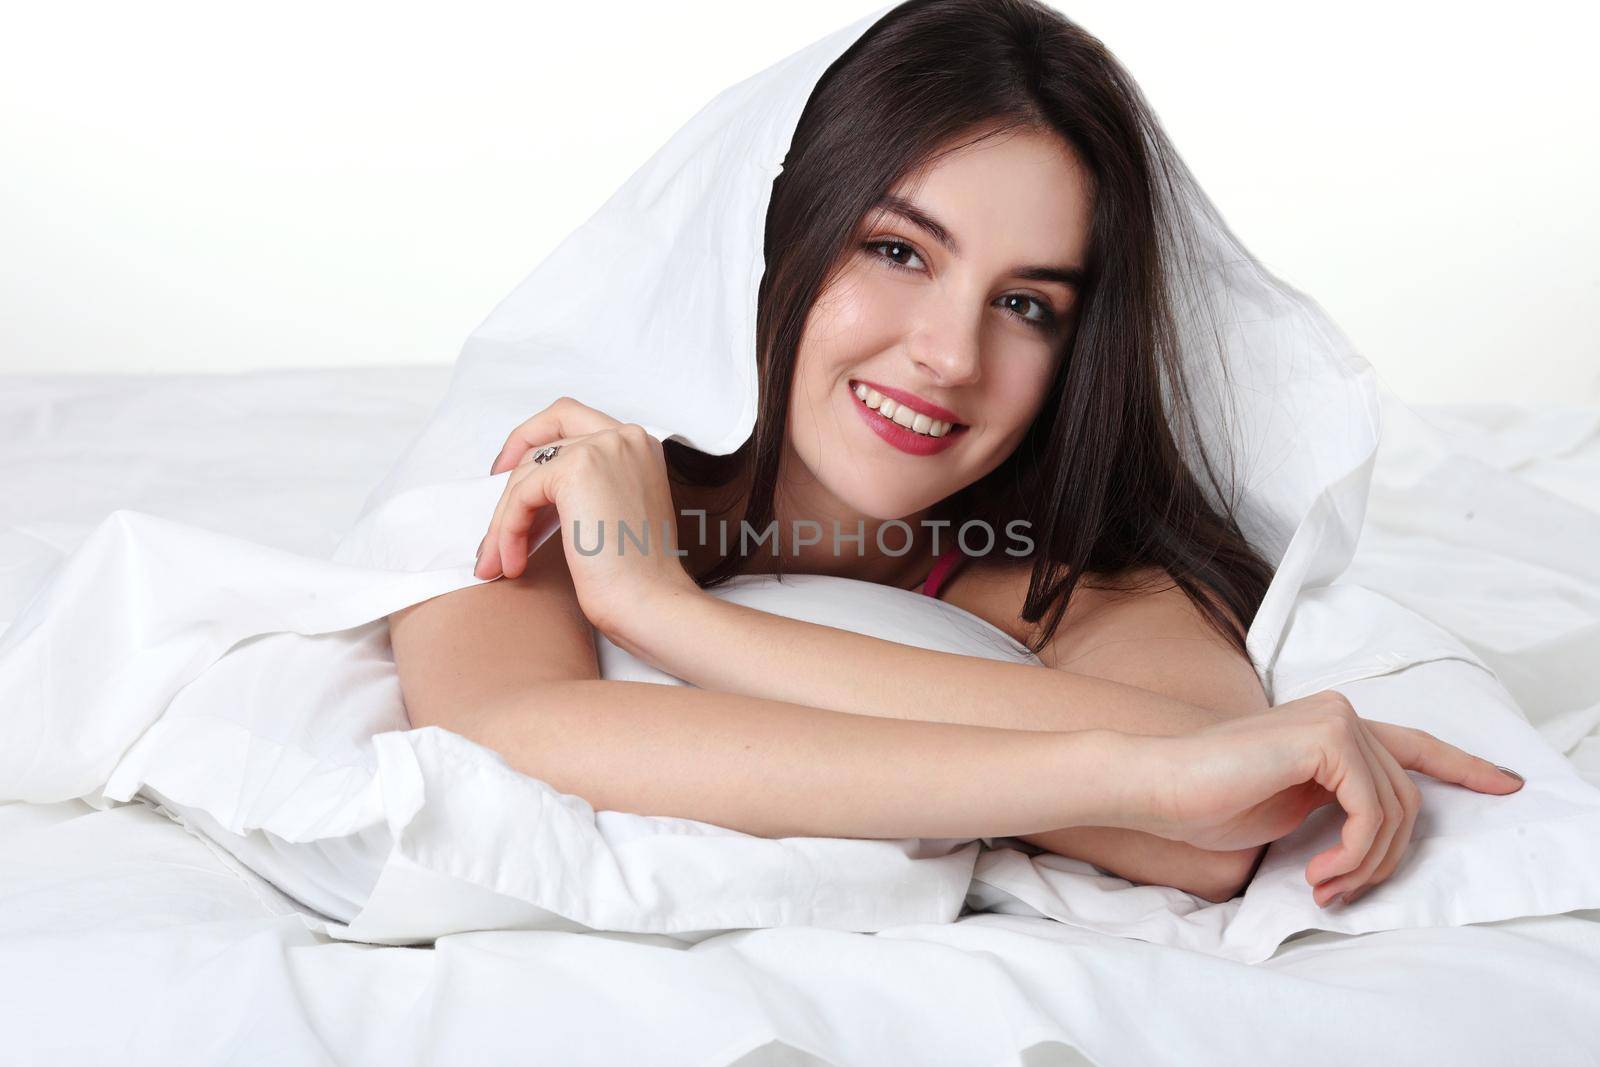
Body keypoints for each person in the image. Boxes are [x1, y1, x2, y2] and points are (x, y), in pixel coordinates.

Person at [388, 0, 1523, 909]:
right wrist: (1126, 772)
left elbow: (1219, 819)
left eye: (1027, 304)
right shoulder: (574, 463)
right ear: (776, 240)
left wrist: (671, 615)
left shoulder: (1070, 566)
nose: (947, 355)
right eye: (897, 249)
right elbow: (511, 728)